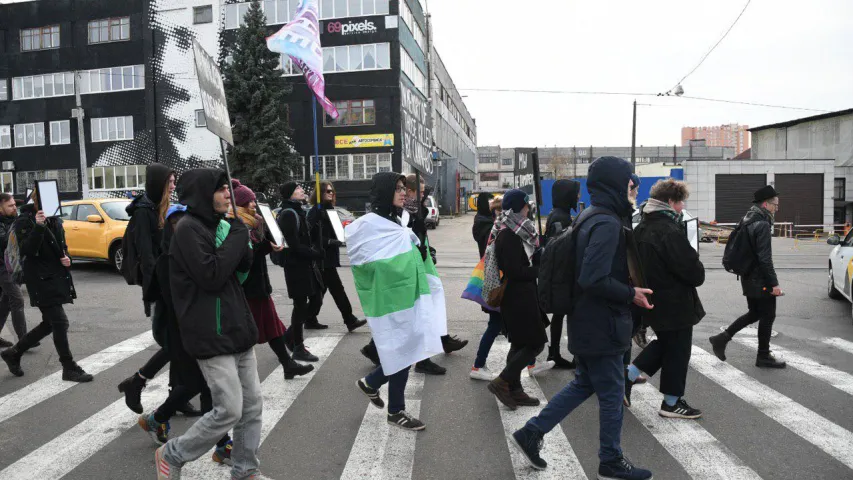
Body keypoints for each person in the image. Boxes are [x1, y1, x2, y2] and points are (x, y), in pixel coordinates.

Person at [510, 156, 654, 479]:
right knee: (614, 394)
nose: (634, 187)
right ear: (616, 184)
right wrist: (631, 294)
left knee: (583, 385)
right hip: (602, 326)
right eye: (630, 182)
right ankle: (610, 461)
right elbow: (592, 277)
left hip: (590, 323)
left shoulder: (592, 215)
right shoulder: (605, 223)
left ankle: (531, 432)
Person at [155, 168, 263, 480]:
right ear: (204, 193)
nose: (228, 195)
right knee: (229, 409)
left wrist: (246, 241)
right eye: (221, 190)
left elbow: (238, 269)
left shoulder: (220, 225)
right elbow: (211, 276)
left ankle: (245, 468)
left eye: (227, 189)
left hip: (237, 328)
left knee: (251, 407)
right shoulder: (187, 229)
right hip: (210, 332)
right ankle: (172, 454)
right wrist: (237, 236)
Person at [137, 205, 233, 462]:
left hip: (199, 329)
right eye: (174, 222)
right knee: (203, 384)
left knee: (200, 384)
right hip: (183, 332)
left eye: (184, 220)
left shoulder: (192, 254)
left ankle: (158, 418)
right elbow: (171, 300)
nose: (180, 226)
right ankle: (221, 445)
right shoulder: (169, 260)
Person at [351, 172, 444, 431]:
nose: (405, 192)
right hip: (387, 299)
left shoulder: (400, 219)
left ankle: (373, 384)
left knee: (408, 347)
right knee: (403, 350)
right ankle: (394, 408)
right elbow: (362, 263)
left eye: (405, 188)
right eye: (399, 188)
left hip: (409, 294)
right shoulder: (368, 224)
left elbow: (408, 247)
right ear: (384, 192)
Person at [360, 175, 468, 376]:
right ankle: (415, 359)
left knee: (421, 310)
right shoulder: (399, 214)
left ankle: (426, 349)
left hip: (420, 266)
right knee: (414, 314)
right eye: (420, 191)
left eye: (425, 192)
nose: (424, 195)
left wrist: (429, 248)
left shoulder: (412, 211)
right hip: (409, 269)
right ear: (409, 191)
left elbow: (420, 238)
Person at [118, 164, 201, 417]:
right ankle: (140, 381)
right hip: (163, 286)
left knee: (179, 341)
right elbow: (147, 255)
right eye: (171, 182)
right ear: (160, 184)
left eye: (175, 181)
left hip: (171, 282)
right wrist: (164, 287)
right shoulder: (144, 213)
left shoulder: (158, 209)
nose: (174, 186)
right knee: (175, 342)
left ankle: (175, 394)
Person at [623, 179, 705, 419]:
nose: (682, 207)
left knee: (666, 344)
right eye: (680, 202)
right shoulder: (669, 230)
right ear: (670, 202)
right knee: (678, 350)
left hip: (651, 299)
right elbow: (693, 271)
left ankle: (627, 377)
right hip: (675, 301)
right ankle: (671, 402)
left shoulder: (642, 227)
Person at [0, 188, 92, 382]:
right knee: (60, 322)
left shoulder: (55, 220)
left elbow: (62, 246)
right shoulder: (26, 221)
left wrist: (67, 258)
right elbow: (27, 250)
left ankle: (14, 353)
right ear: (37, 201)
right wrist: (39, 226)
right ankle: (68, 367)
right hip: (39, 280)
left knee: (50, 323)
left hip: (56, 278)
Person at [231, 179, 313, 379]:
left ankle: (288, 364)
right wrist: (267, 246)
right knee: (247, 332)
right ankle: (227, 373)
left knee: (272, 326)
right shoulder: (237, 224)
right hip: (247, 286)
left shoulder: (254, 221)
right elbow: (245, 255)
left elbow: (259, 247)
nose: (254, 204)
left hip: (259, 285)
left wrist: (269, 242)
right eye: (249, 201)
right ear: (240, 203)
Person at [709, 185, 786, 369]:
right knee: (768, 315)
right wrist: (773, 284)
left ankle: (722, 338)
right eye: (775, 205)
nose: (777, 208)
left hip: (747, 275)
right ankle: (763, 356)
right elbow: (765, 258)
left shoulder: (747, 218)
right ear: (766, 204)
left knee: (755, 313)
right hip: (759, 279)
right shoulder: (762, 223)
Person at [485, 189, 548, 409]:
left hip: (523, 294)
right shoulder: (509, 234)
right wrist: (539, 270)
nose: (528, 209)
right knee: (535, 343)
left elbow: (524, 260)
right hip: (518, 296)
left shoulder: (517, 230)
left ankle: (515, 389)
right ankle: (503, 381)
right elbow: (514, 270)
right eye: (526, 205)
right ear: (518, 207)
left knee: (520, 343)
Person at [306, 181, 367, 332]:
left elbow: (337, 232)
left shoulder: (331, 210)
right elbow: (310, 236)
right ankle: (349, 319)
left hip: (330, 256)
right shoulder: (315, 211)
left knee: (321, 291)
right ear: (319, 193)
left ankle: (309, 318)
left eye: (332, 191)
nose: (331, 193)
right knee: (337, 289)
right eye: (327, 191)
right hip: (321, 258)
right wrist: (329, 241)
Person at [277, 181, 323, 362]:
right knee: (300, 305)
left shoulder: (298, 211)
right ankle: (298, 347)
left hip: (306, 264)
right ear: (289, 194)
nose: (302, 190)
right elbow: (294, 245)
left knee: (316, 298)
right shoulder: (288, 214)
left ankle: (289, 337)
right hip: (296, 266)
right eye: (297, 189)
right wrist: (314, 254)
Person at [544, 180, 581, 370]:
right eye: (576, 193)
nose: (579, 197)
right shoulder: (562, 218)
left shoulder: (556, 214)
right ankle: (560, 353)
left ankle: (554, 352)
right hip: (562, 275)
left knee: (559, 315)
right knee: (567, 314)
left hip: (558, 274)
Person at [470, 192, 501, 381]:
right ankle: (478, 365)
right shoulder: (490, 228)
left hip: (495, 280)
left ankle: (529, 362)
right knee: (496, 324)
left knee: (500, 325)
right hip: (495, 281)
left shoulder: (487, 224)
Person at [0, 193, 28, 348]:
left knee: (5, 302)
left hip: (11, 265)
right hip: (2, 267)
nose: (14, 208)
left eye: (14, 205)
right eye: (10, 206)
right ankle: (25, 340)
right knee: (17, 299)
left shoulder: (12, 220)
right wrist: (17, 227)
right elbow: (5, 242)